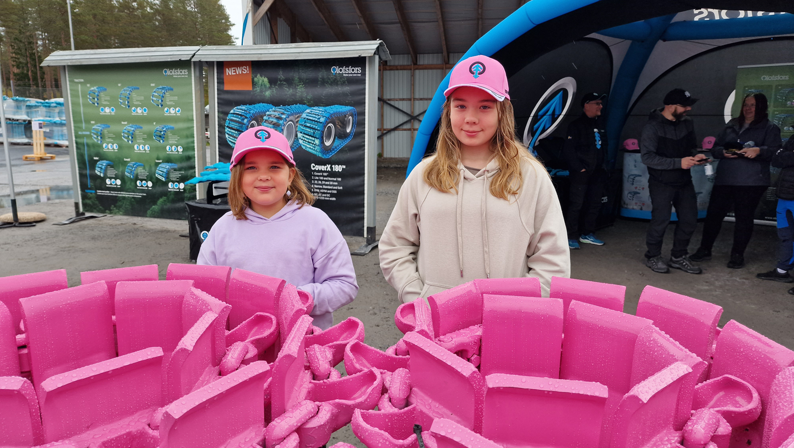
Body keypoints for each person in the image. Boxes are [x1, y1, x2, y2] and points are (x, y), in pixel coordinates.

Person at [379, 55, 570, 302]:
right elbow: (395, 247)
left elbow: (553, 261)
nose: (470, 118)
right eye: (460, 106)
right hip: (434, 325)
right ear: (448, 112)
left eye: (484, 107)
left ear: (503, 112)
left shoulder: (531, 177)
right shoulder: (424, 176)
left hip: (504, 327)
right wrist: (418, 298)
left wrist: (518, 311)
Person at [197, 126, 358, 329]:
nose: (264, 176)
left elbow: (345, 286)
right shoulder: (222, 228)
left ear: (290, 175)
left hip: (304, 345)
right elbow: (204, 288)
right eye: (251, 168)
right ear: (237, 177)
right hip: (241, 347)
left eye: (274, 167)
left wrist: (295, 299)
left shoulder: (316, 222)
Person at [691, 93, 782, 268]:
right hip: (725, 178)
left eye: (753, 105)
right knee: (713, 216)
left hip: (751, 182)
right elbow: (716, 147)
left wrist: (759, 151)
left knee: (743, 219)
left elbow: (775, 152)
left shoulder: (770, 128)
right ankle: (704, 249)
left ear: (761, 107)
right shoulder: (732, 124)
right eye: (746, 104)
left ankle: (737, 255)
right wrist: (722, 153)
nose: (748, 108)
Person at [641, 88, 709, 274]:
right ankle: (653, 256)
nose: (688, 109)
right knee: (660, 220)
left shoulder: (687, 123)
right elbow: (647, 158)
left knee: (689, 220)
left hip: (684, 181)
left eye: (689, 105)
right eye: (684, 105)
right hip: (661, 182)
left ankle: (678, 257)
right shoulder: (652, 127)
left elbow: (692, 148)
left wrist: (698, 156)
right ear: (670, 106)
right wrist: (679, 162)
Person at [562, 92, 608, 249]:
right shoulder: (575, 126)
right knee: (576, 204)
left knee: (594, 203)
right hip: (581, 173)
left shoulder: (600, 125)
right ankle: (570, 235)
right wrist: (579, 168)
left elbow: (604, 147)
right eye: (597, 103)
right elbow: (568, 150)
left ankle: (587, 233)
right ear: (586, 105)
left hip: (598, 172)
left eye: (601, 103)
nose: (600, 106)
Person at [756, 136, 794, 291]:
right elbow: (776, 160)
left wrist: (787, 155)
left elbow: (782, 157)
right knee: (786, 236)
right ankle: (782, 271)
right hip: (785, 196)